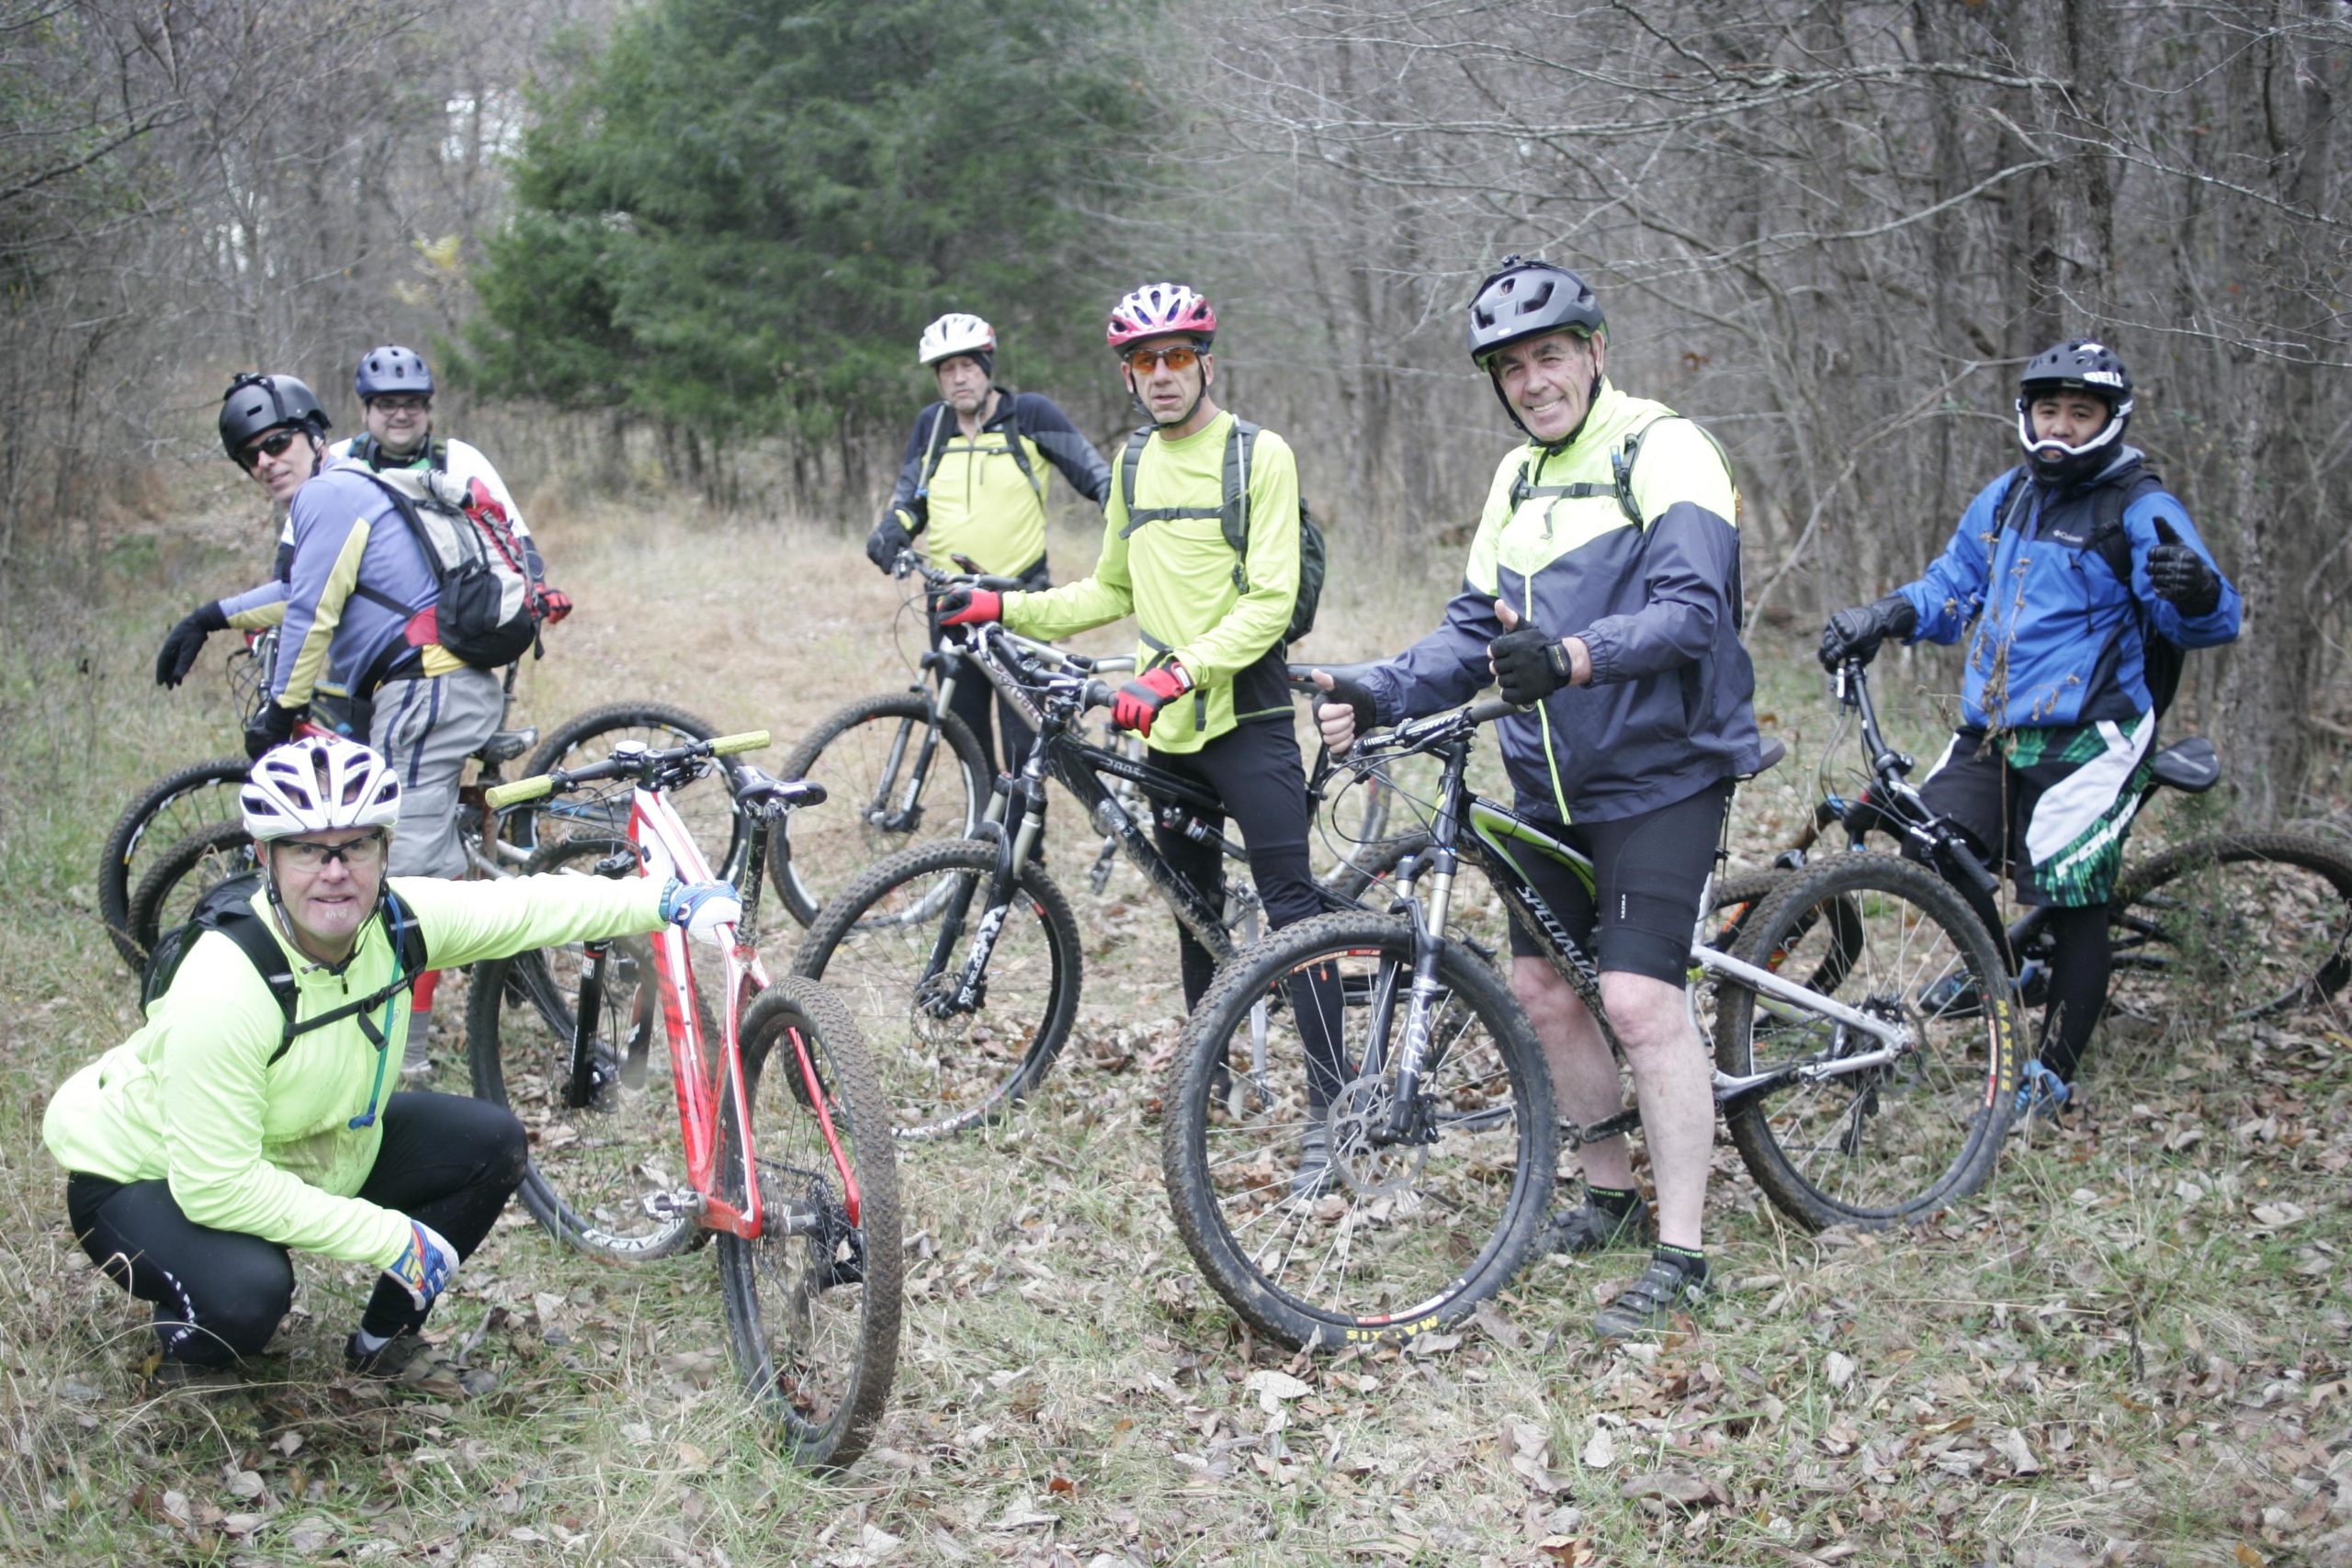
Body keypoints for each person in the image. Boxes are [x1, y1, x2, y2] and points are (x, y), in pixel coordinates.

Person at [1308, 257, 1761, 1338]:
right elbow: (1474, 628)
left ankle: (1684, 1253)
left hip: (1662, 769)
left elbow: (1692, 610)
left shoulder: (1665, 448)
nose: (1532, 381)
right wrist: (1378, 685)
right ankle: (1607, 1194)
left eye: (1548, 356)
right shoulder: (1515, 479)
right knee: (1548, 995)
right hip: (1547, 782)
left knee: (1640, 1003)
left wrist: (1571, 657)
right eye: (1510, 368)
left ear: (1594, 352)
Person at [43, 736, 741, 1393]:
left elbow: (523, 906)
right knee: (249, 1292)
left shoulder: (396, 921)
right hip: (148, 1174)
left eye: (355, 847)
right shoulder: (223, 987)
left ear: (385, 848)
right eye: (308, 852)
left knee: (489, 1141)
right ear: (266, 858)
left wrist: (666, 901)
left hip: (299, 1144)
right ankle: (194, 1358)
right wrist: (390, 1236)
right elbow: (215, 1186)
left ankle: (384, 1343)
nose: (335, 871)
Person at [933, 282, 1346, 1188]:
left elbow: (1271, 601)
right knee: (1193, 914)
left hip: (1250, 713)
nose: (1159, 376)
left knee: (1291, 912)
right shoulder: (1129, 466)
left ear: (1206, 360)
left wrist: (1175, 672)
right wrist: (1005, 603)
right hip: (1170, 727)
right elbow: (1107, 592)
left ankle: (1335, 1107)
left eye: (1175, 357)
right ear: (1126, 374)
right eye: (1141, 362)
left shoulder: (1257, 456)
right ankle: (1213, 1074)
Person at [1819, 338, 2241, 1120]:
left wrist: (2197, 588)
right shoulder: (2009, 496)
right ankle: (2005, 964)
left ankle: (2051, 1071)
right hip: (1995, 728)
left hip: (2093, 733)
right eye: (2051, 410)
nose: (2063, 426)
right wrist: (1882, 616)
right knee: (1932, 842)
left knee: (2075, 896)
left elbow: (2211, 622)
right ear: (2027, 414)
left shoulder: (2139, 507)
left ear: (2111, 420)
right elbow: (1952, 586)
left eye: (2082, 413)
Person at [865, 312, 1112, 795]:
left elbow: (1095, 476)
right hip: (950, 602)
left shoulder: (1031, 414)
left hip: (1020, 599)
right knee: (967, 733)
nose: (959, 378)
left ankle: (1025, 858)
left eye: (968, 366)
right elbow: (913, 500)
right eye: (946, 369)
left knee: (1025, 737)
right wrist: (892, 529)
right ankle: (981, 844)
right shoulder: (932, 426)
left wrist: (1130, 517)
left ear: (987, 366)